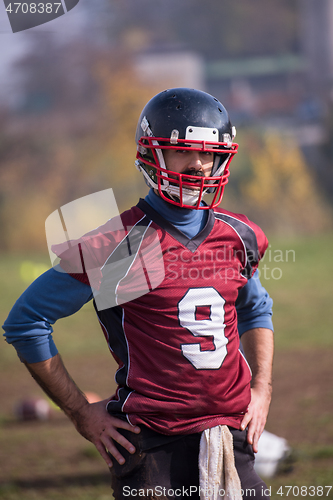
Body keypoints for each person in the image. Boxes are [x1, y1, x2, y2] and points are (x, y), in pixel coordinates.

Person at [3, 88, 274, 499]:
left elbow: (256, 309)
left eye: (209, 153)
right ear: (151, 155)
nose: (200, 164)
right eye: (183, 151)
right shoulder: (121, 245)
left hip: (232, 438)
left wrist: (262, 388)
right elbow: (27, 322)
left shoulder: (237, 235)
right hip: (152, 444)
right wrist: (81, 412)